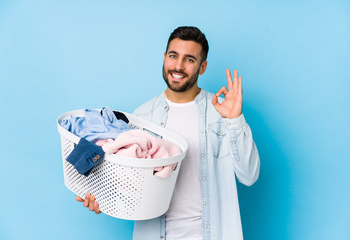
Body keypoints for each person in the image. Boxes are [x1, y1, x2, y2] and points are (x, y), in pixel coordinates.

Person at [76, 26, 260, 240]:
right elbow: (128, 189)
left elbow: (249, 176)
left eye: (190, 59)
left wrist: (234, 120)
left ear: (203, 67)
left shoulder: (223, 112)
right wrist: (104, 201)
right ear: (164, 57)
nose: (178, 66)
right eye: (173, 56)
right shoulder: (142, 117)